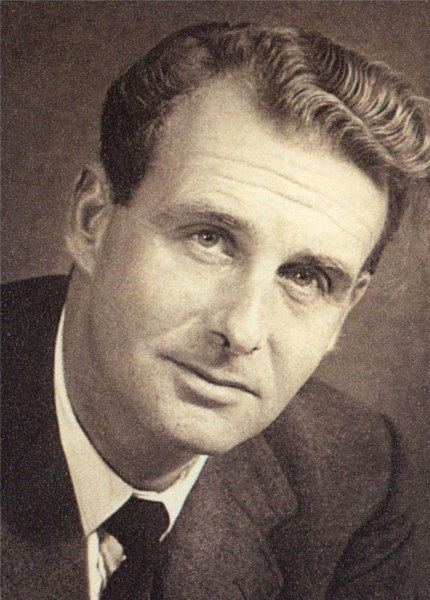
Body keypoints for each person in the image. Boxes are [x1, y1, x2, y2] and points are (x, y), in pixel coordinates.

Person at [2, 22, 429, 600]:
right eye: (209, 239)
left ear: (346, 310)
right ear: (92, 220)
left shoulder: (357, 475)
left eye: (305, 277)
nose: (242, 329)